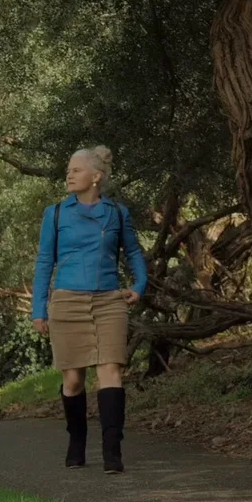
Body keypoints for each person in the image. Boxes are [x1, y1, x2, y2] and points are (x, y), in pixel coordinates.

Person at [31, 145, 147, 474]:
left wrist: (139, 286)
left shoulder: (117, 213)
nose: (69, 175)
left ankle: (112, 451)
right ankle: (77, 441)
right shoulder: (55, 214)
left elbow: (134, 253)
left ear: (96, 177)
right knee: (73, 380)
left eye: (76, 170)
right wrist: (39, 309)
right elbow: (44, 262)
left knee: (111, 371)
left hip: (109, 301)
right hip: (67, 303)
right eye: (69, 170)